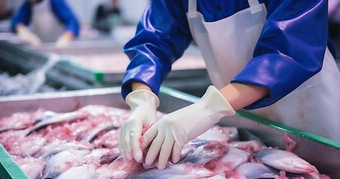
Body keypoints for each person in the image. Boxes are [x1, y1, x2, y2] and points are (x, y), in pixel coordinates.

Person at [119, 0, 340, 170]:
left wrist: (209, 108)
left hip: (315, 123)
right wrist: (142, 99)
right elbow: (153, 40)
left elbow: (288, 50)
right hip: (246, 127)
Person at [10, 0, 80, 47]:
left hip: (59, 46)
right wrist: (22, 30)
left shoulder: (54, 1)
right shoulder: (28, 4)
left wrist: (65, 38)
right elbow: (16, 21)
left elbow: (72, 22)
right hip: (41, 46)